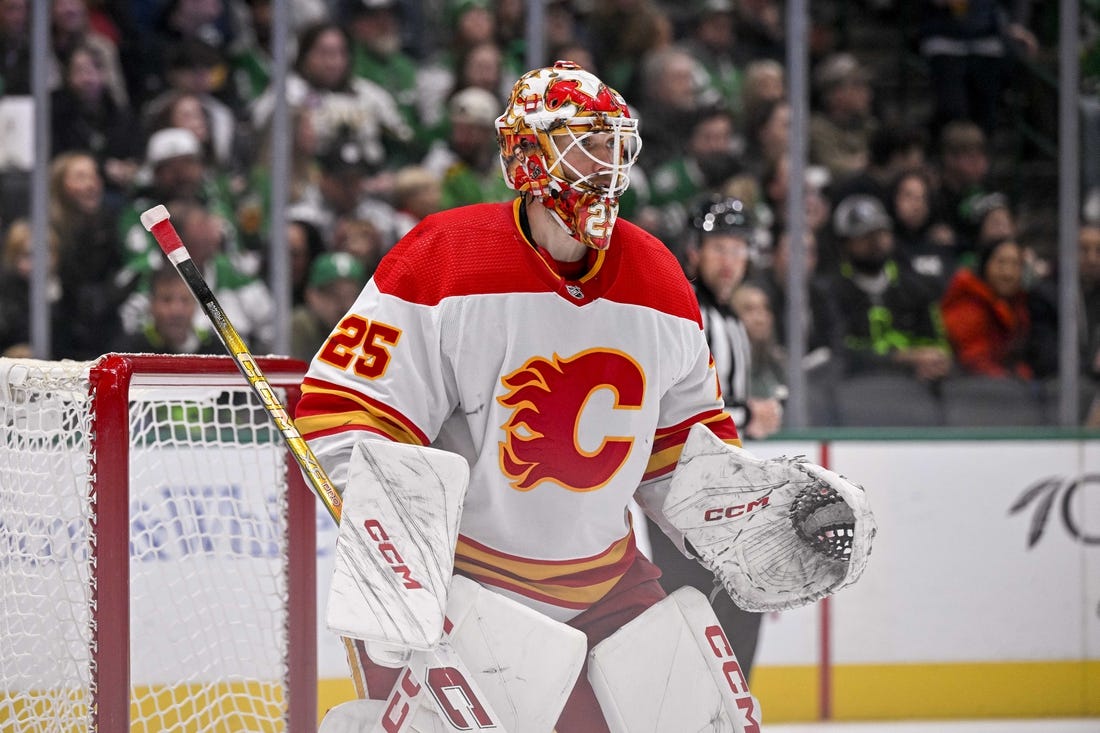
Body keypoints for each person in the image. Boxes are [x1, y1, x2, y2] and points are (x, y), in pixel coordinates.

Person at [295, 60, 743, 732]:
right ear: (530, 152)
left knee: (699, 719)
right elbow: (342, 410)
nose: (606, 163)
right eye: (585, 142)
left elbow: (683, 453)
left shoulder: (659, 277)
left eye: (616, 144)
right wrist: (401, 544)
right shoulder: (445, 256)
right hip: (461, 586)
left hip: (602, 588)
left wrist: (749, 519)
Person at [940, 236, 1036, 379]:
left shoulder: (1020, 305)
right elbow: (975, 361)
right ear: (985, 265)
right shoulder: (968, 305)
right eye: (1000, 263)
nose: (1007, 273)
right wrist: (1013, 380)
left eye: (1016, 264)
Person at [111, 262, 222, 355]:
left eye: (185, 300)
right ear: (151, 304)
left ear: (196, 305)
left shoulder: (216, 349)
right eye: (166, 300)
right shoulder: (129, 351)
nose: (176, 311)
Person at [289, 251, 368, 362]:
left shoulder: (365, 329)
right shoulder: (298, 327)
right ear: (311, 295)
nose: (344, 304)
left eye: (351, 295)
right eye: (333, 293)